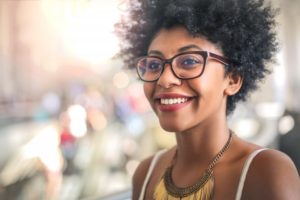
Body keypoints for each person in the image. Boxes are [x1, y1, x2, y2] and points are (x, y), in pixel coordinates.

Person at [116, 0, 300, 199]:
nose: (165, 79)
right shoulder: (145, 174)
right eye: (153, 65)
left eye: (189, 61)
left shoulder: (265, 171)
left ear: (233, 79)